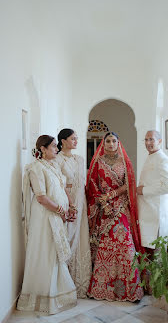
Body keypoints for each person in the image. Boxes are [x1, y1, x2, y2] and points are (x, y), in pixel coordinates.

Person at [17, 135, 77, 315]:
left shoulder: (53, 166)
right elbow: (41, 197)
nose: (57, 149)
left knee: (56, 254)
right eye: (53, 147)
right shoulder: (35, 168)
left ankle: (57, 295)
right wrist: (61, 211)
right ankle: (43, 298)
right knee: (47, 254)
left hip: (57, 215)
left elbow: (62, 188)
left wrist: (71, 206)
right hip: (44, 217)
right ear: (42, 149)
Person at [86, 132, 144, 302]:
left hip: (120, 206)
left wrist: (111, 195)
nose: (111, 144)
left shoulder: (124, 162)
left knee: (125, 243)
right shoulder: (97, 162)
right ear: (103, 144)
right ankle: (103, 288)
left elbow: (129, 184)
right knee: (105, 244)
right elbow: (92, 185)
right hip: (103, 208)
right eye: (108, 141)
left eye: (114, 141)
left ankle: (129, 290)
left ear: (119, 143)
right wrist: (103, 203)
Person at [55, 128, 92, 298]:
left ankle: (80, 283)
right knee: (67, 236)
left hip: (81, 200)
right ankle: (64, 283)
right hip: (66, 201)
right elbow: (58, 184)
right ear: (63, 141)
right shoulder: (57, 159)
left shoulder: (79, 159)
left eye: (77, 138)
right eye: (73, 138)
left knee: (80, 237)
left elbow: (82, 182)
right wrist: (69, 203)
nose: (76, 141)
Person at [137, 130, 168, 251]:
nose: (148, 143)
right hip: (147, 212)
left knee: (155, 252)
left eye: (151, 139)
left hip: (155, 214)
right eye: (146, 140)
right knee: (147, 251)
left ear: (160, 141)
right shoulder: (152, 156)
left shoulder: (163, 159)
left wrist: (143, 190)